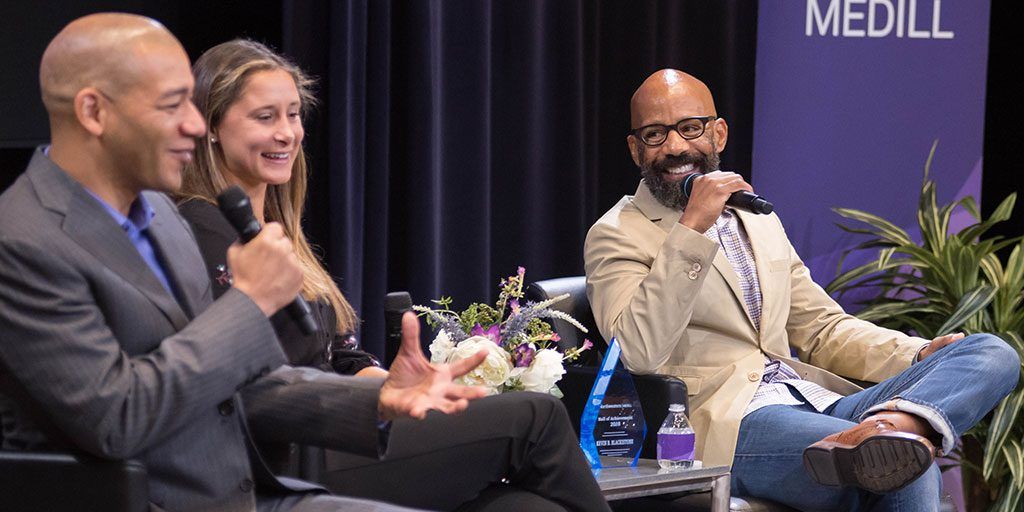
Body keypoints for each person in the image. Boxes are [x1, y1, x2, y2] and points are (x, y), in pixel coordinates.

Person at [0, 13, 518, 512]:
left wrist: (379, 397)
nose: (195, 125)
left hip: (255, 492)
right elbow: (117, 416)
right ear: (94, 112)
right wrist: (249, 304)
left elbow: (237, 384)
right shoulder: (21, 241)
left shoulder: (157, 214)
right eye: (171, 104)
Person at [173, 39, 609, 512]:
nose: (287, 133)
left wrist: (399, 385)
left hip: (343, 433)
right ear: (211, 125)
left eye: (293, 114)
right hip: (291, 456)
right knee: (537, 417)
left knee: (525, 507)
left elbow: (337, 355)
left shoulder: (278, 231)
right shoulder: (201, 230)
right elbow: (246, 377)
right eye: (265, 117)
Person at [584, 68, 1021, 510]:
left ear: (718, 134)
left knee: (990, 353)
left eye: (690, 128)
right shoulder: (616, 234)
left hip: (816, 405)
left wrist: (917, 354)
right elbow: (636, 351)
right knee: (903, 468)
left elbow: (822, 329)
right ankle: (892, 438)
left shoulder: (757, 220)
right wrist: (691, 228)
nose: (675, 146)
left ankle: (894, 425)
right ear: (635, 149)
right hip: (730, 423)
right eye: (655, 134)